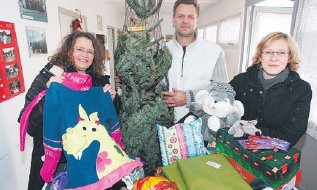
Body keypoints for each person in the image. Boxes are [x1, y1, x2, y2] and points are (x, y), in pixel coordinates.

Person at [18, 31, 123, 190]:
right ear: (69, 51)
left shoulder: (97, 79)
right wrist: (48, 95)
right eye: (79, 49)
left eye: (90, 52)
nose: (84, 55)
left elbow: (106, 121)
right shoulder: (51, 75)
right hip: (58, 166)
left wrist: (113, 100)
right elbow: (30, 125)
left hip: (90, 162)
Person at [229, 32, 312, 146]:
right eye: (268, 52)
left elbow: (292, 133)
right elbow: (222, 106)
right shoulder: (241, 80)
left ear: (290, 57)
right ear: (260, 56)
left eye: (282, 53)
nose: (274, 58)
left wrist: (252, 131)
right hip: (234, 147)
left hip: (271, 156)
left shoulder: (301, 89)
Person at [163, 0, 229, 122]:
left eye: (190, 17)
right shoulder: (163, 50)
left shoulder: (215, 51)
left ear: (196, 21)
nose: (185, 21)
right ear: (173, 19)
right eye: (181, 16)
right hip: (166, 125)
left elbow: (223, 91)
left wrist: (189, 97)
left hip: (201, 126)